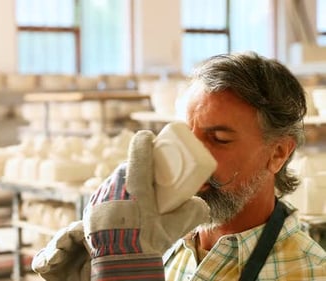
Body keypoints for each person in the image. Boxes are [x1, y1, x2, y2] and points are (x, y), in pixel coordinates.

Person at [31, 52, 326, 280]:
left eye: (219, 138)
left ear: (278, 153)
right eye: (184, 134)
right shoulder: (154, 241)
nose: (190, 156)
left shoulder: (308, 270)